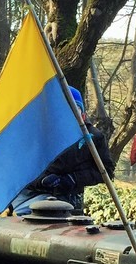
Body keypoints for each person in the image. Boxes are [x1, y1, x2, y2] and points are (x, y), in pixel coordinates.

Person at [12, 86, 115, 214]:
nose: (69, 115)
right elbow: (21, 169)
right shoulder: (38, 134)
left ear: (81, 111)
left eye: (74, 109)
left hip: (69, 199)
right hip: (29, 196)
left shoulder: (94, 138)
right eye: (64, 110)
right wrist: (42, 180)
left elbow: (106, 171)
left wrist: (73, 178)